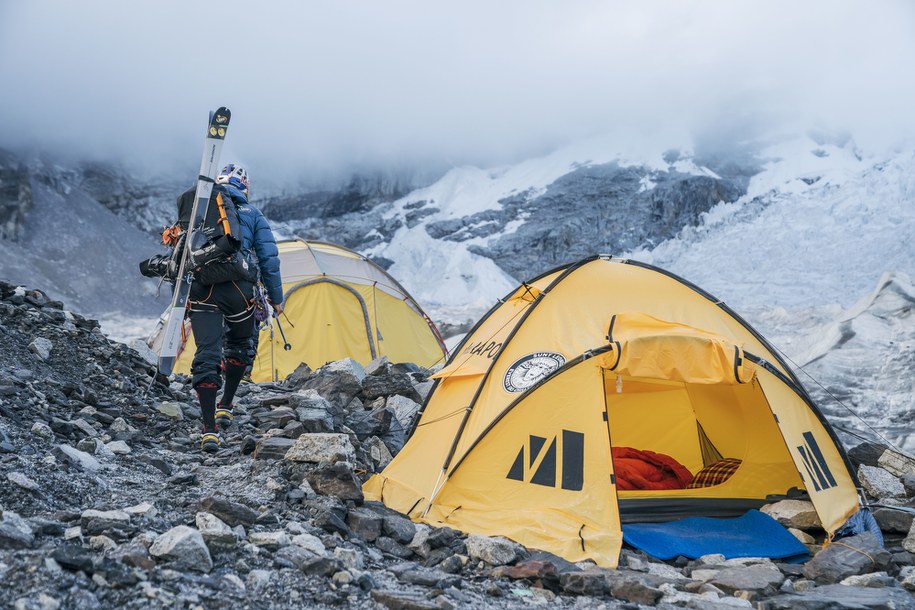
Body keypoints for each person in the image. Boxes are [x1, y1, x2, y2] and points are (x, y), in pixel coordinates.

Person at [180, 163, 283, 452]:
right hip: (239, 289)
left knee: (207, 353)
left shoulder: (199, 208)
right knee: (240, 345)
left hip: (202, 288)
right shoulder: (253, 214)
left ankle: (209, 430)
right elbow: (269, 259)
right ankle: (226, 405)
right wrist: (276, 298)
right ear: (244, 188)